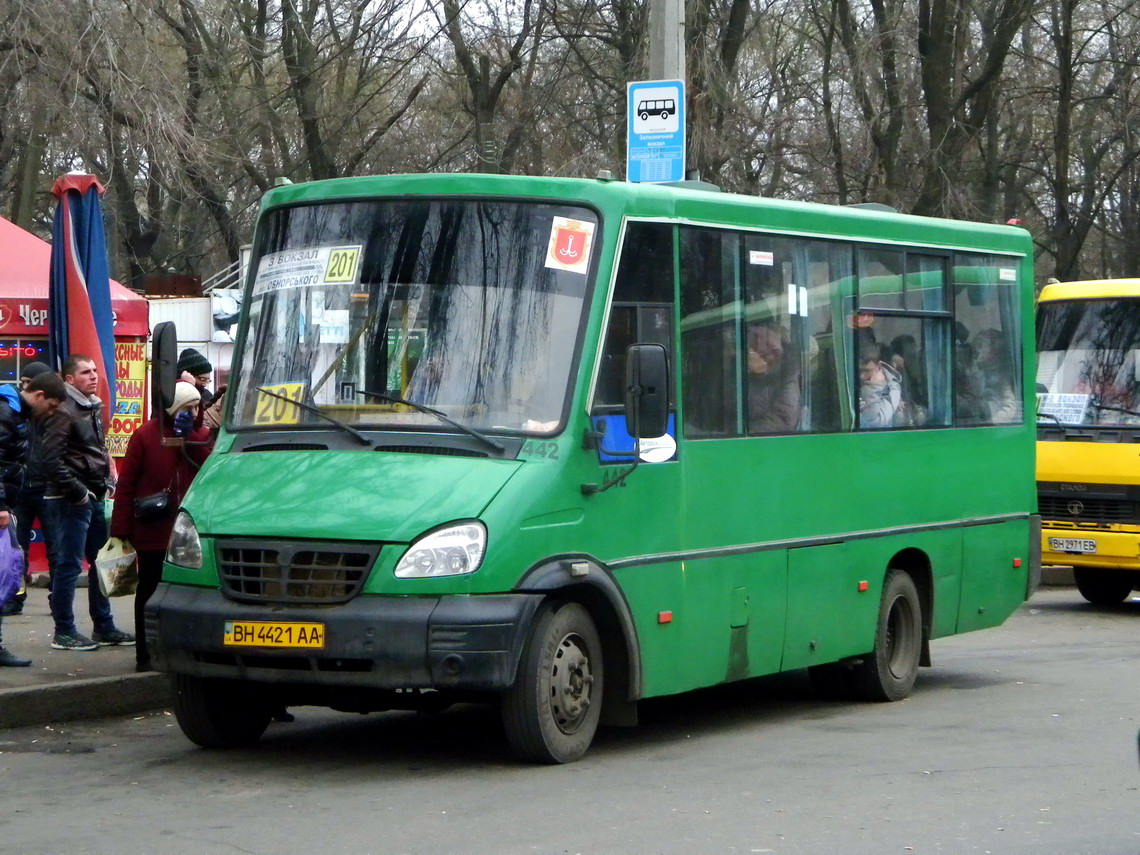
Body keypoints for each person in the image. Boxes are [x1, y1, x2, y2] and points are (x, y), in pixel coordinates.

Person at [110, 382, 209, 671]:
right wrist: (121, 528)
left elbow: (207, 469)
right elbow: (127, 483)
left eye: (195, 407)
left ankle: (185, 652)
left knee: (189, 594)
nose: (193, 412)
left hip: (189, 533)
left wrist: (189, 437)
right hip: (153, 530)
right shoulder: (145, 435)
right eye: (186, 408)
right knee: (149, 591)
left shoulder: (202, 436)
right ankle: (145, 654)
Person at [41, 355, 135, 651]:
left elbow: (97, 452)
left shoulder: (90, 405)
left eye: (95, 370)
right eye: (85, 372)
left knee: (100, 563)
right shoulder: (64, 410)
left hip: (93, 496)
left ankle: (103, 627)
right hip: (72, 500)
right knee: (69, 565)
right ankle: (64, 631)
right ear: (69, 379)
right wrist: (80, 492)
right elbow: (51, 461)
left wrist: (106, 482)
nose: (94, 376)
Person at [0, 371, 67, 666]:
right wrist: (1, 505)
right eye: (51, 405)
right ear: (39, 396)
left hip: (8, 504)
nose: (50, 412)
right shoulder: (7, 413)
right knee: (5, 571)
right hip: (2, 507)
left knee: (6, 571)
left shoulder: (16, 413)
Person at [3, 362, 55, 616]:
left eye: (29, 382)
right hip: (21, 490)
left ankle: (58, 597)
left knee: (56, 547)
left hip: (46, 487)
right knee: (16, 549)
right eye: (22, 381)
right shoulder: (14, 411)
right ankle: (14, 597)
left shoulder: (51, 412)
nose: (24, 386)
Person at [745, 324, 800, 433]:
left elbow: (784, 418)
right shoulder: (736, 363)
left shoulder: (788, 369)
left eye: (765, 339)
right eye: (755, 337)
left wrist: (746, 434)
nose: (759, 344)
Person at [859, 346, 902, 428]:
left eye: (867, 370)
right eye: (859, 370)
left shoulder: (892, 387)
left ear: (878, 365)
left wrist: (873, 386)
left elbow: (875, 423)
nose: (861, 376)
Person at [177, 348, 212, 426]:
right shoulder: (172, 394)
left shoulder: (207, 395)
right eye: (202, 379)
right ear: (188, 375)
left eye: (207, 380)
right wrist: (188, 387)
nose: (204, 384)